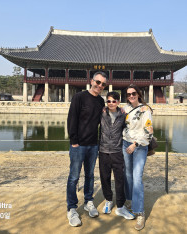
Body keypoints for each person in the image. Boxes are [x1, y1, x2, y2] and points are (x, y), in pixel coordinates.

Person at [66, 71, 107, 227]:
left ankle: (89, 201)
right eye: (98, 82)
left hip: (93, 144)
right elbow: (72, 119)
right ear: (91, 81)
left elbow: (105, 118)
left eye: (103, 84)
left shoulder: (101, 102)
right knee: (74, 177)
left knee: (89, 175)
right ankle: (71, 208)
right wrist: (74, 141)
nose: (99, 86)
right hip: (79, 145)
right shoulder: (79, 97)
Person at [99, 91, 135, 220]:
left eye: (114, 101)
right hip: (103, 151)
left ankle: (120, 206)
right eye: (108, 101)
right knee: (105, 178)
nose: (111, 103)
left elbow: (133, 127)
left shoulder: (123, 115)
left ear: (118, 102)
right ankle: (108, 200)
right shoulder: (102, 113)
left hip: (117, 152)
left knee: (120, 180)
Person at [122, 84, 153, 231]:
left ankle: (140, 212)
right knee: (127, 174)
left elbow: (148, 130)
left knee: (137, 176)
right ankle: (130, 201)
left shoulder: (145, 109)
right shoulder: (126, 108)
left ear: (138, 94)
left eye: (133, 93)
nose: (131, 96)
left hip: (139, 146)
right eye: (128, 94)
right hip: (125, 144)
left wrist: (135, 143)